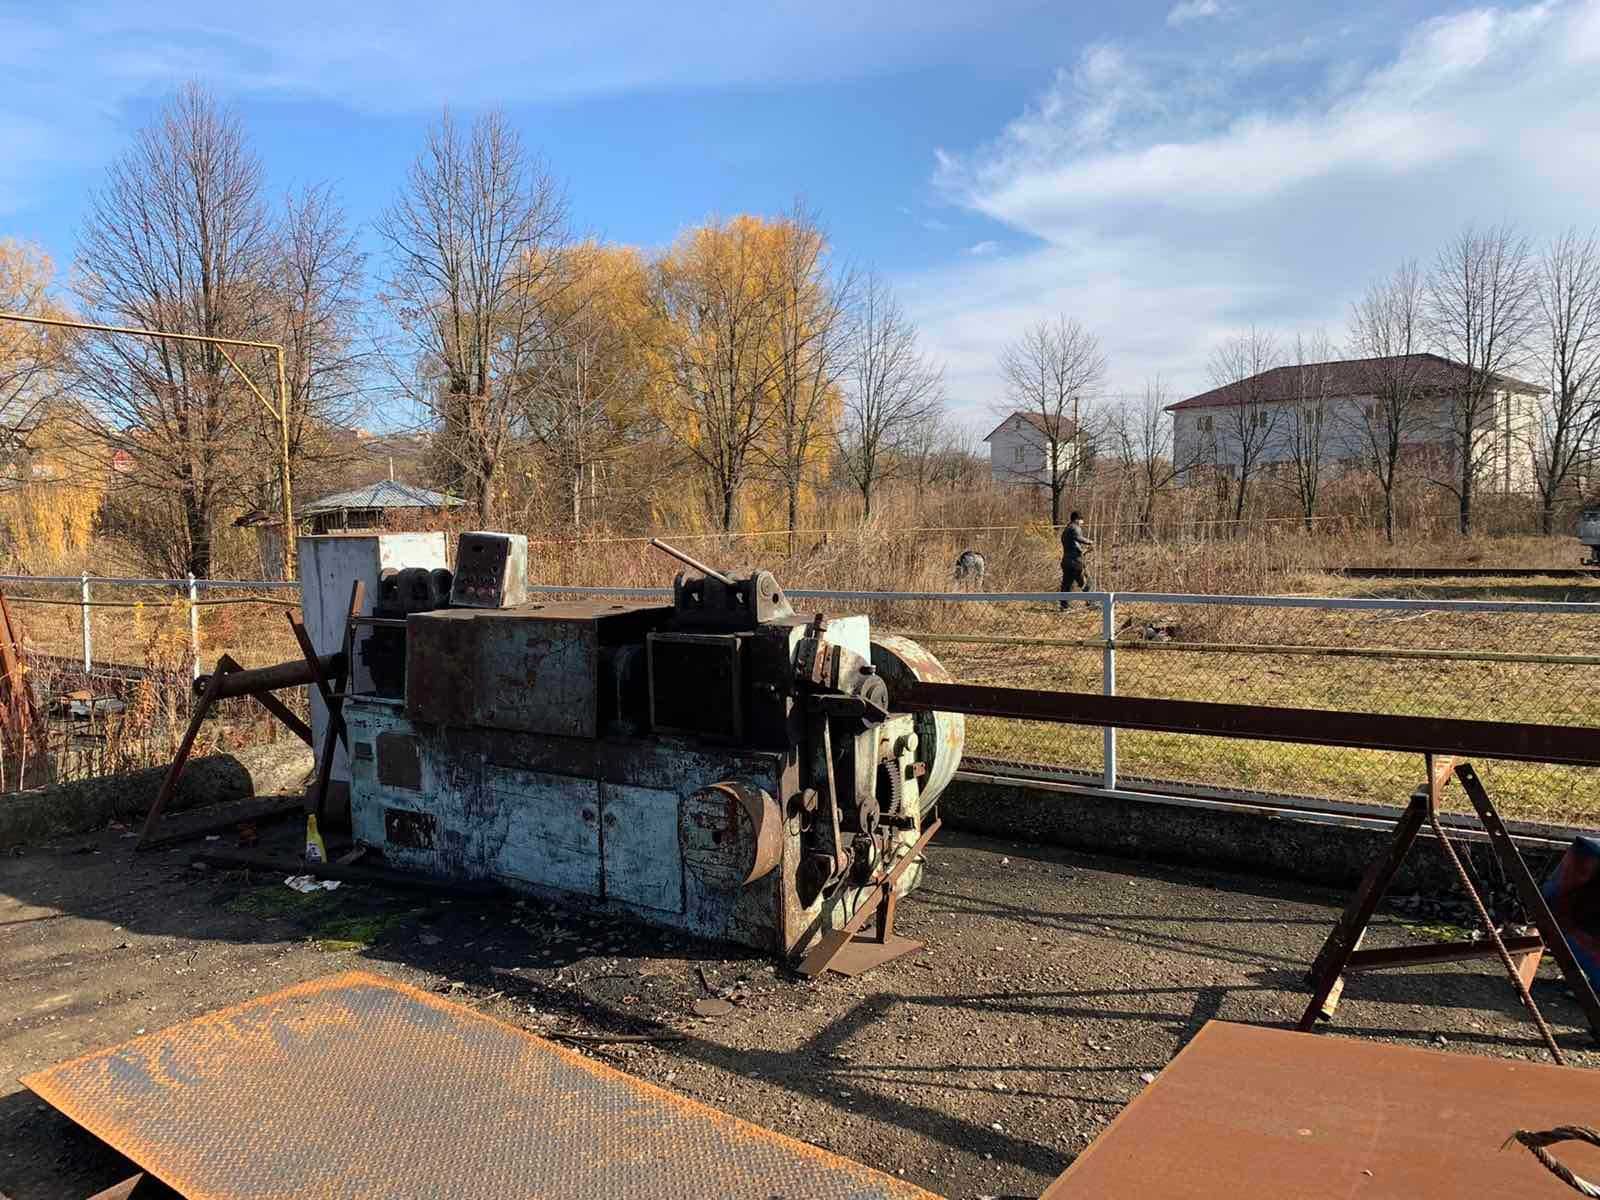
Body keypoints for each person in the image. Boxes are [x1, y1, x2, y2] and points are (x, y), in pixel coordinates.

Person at [1059, 511, 1093, 609]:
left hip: (1066, 561)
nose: (1082, 523)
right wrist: (1090, 542)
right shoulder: (1075, 527)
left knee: (1066, 585)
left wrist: (1084, 551)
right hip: (1075, 562)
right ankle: (1092, 603)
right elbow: (1079, 538)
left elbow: (1073, 544)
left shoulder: (1066, 530)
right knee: (1087, 582)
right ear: (1077, 519)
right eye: (1081, 520)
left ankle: (1064, 606)